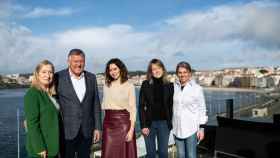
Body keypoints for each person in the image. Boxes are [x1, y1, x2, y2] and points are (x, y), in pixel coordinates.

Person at [55, 49, 101, 158]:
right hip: (66, 131)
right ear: (68, 61)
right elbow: (50, 100)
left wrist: (98, 128)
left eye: (81, 61)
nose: (78, 64)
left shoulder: (91, 77)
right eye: (75, 61)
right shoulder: (58, 77)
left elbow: (96, 104)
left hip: (87, 130)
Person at [101, 58, 137, 158]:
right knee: (108, 154)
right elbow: (104, 106)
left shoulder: (129, 86)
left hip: (123, 125)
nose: (112, 72)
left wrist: (131, 130)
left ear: (120, 69)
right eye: (110, 70)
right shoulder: (106, 85)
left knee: (124, 154)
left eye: (115, 69)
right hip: (108, 125)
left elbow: (133, 109)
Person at [24, 60, 60, 158]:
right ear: (37, 74)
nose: (47, 75)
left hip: (53, 147)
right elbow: (32, 124)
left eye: (50, 72)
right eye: (44, 72)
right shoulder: (32, 94)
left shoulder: (52, 94)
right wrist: (39, 147)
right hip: (41, 150)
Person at [172, 61, 208, 158]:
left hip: (191, 129)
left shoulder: (197, 89)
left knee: (191, 155)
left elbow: (202, 109)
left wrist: (202, 128)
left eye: (185, 72)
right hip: (177, 128)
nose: (182, 74)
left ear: (189, 73)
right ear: (177, 74)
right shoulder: (174, 87)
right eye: (180, 72)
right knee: (181, 155)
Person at [139, 58, 173, 158]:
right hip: (149, 124)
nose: (156, 71)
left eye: (158, 68)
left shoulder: (170, 86)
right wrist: (143, 125)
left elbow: (172, 106)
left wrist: (170, 123)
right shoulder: (145, 84)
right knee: (150, 154)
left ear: (163, 69)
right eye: (153, 69)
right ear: (150, 71)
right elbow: (141, 106)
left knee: (163, 153)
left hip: (164, 124)